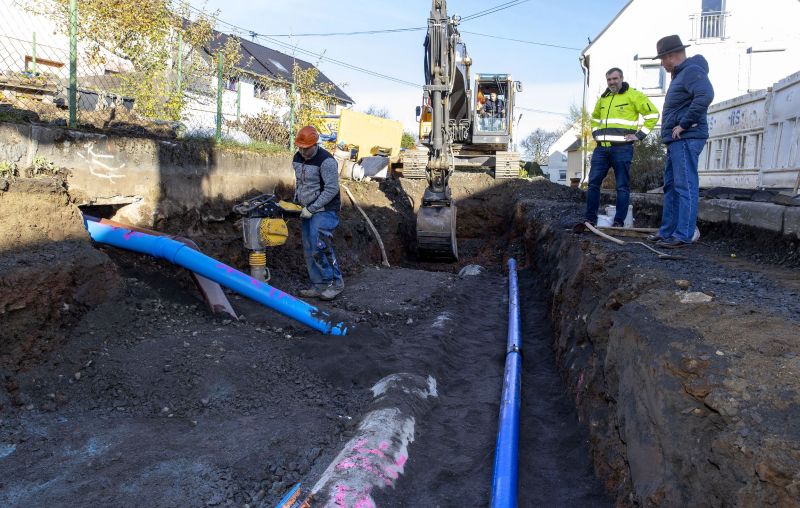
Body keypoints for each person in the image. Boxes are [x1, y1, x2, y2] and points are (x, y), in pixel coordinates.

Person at [650, 35, 714, 248]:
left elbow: (705, 95)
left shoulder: (691, 71)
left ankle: (683, 235)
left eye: (662, 59)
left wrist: (684, 124)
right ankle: (667, 232)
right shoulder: (681, 75)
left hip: (686, 138)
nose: (661, 64)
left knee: (685, 186)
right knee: (671, 187)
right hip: (676, 142)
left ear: (670, 56)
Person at [585, 67, 660, 227]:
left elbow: (653, 115)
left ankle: (619, 221)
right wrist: (595, 133)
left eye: (615, 78)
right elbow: (594, 118)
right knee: (593, 184)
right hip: (601, 149)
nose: (612, 82)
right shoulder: (604, 98)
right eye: (609, 79)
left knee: (622, 186)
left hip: (622, 149)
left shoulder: (634, 95)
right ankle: (590, 219)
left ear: (621, 78)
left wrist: (639, 135)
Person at [292, 125, 344, 300]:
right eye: (300, 148)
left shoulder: (327, 161)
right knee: (309, 247)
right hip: (306, 209)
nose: (303, 152)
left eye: (306, 149)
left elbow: (331, 190)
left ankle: (335, 284)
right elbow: (299, 182)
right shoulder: (297, 158)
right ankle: (319, 285)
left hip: (325, 210)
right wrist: (296, 200)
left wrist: (312, 208)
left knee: (320, 245)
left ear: (315, 144)